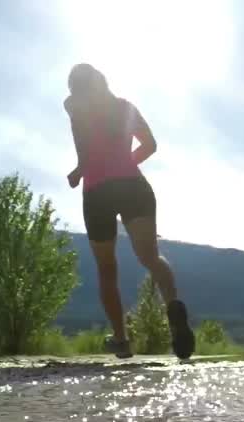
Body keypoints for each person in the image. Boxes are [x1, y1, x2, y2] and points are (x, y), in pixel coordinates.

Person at [63, 62, 195, 360]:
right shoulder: (125, 108)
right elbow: (150, 145)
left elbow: (87, 146)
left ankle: (121, 340)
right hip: (133, 186)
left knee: (107, 269)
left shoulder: (74, 108)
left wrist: (84, 170)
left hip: (97, 193)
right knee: (150, 256)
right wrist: (124, 165)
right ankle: (172, 305)